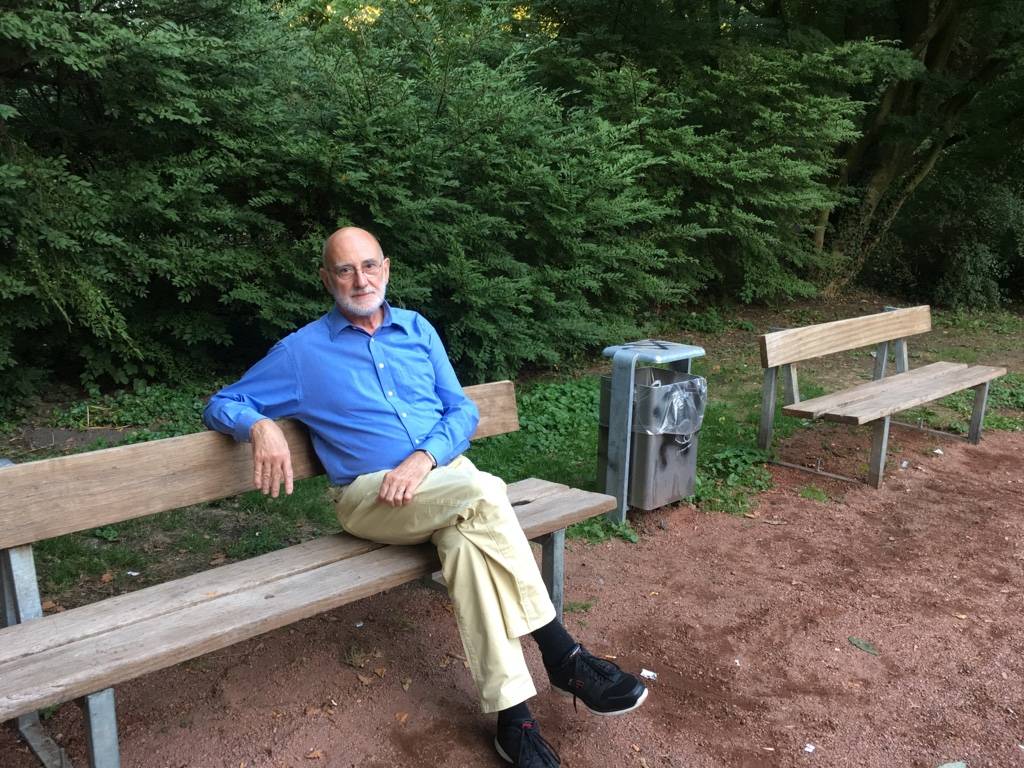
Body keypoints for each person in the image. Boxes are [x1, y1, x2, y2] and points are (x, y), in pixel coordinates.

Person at [203, 227, 647, 767]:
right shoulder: (300, 353)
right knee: (485, 491)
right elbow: (225, 400)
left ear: (386, 269)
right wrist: (258, 427)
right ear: (326, 279)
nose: (359, 279)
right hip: (371, 495)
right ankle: (562, 653)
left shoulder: (416, 329)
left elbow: (460, 411)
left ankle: (516, 720)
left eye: (368, 266)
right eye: (344, 269)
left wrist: (424, 457)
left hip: (441, 480)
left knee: (466, 544)